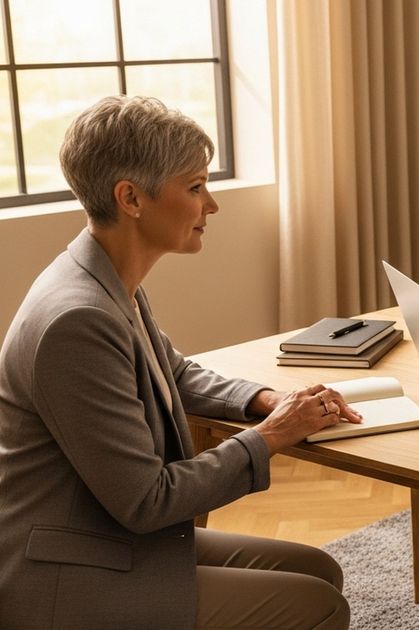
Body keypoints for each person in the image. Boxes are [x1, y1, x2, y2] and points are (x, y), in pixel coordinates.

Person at [0, 96, 362, 629]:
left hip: (102, 534)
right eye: (195, 187)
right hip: (68, 569)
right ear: (131, 198)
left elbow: (173, 371)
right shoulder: (77, 319)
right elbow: (147, 501)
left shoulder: (102, 275)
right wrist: (270, 436)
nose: (211, 205)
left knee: (318, 569)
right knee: (319, 606)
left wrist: (267, 401)